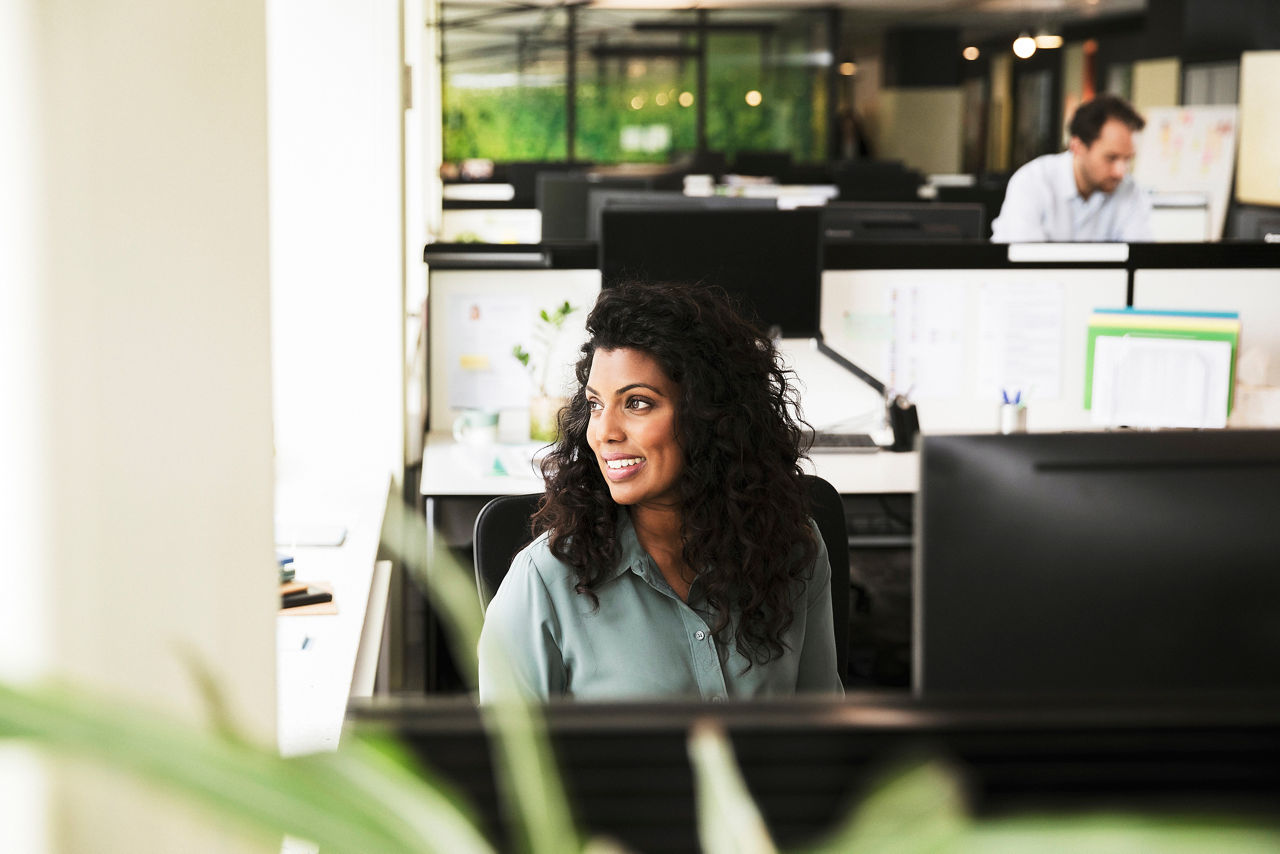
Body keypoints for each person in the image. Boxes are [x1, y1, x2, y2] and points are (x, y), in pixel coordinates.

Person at [477, 281, 843, 702]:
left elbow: (821, 738)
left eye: (637, 402)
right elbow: (509, 765)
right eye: (596, 404)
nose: (604, 432)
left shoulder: (794, 549)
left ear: (710, 414)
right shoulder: (543, 583)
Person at [991, 94, 1153, 243]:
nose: (1120, 171)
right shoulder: (1032, 182)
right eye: (1111, 158)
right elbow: (1024, 264)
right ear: (1077, 147)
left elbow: (1141, 259)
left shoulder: (1130, 190)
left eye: (1127, 159)